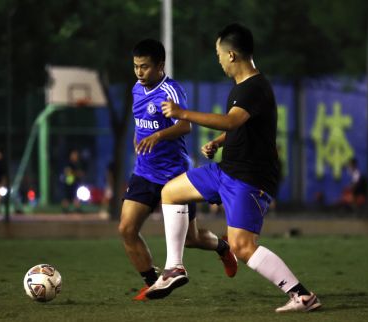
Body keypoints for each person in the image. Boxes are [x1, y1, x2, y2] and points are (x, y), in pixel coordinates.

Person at [145, 24, 321, 313]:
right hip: (225, 171)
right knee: (171, 193)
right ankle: (174, 268)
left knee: (242, 246)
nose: (217, 59)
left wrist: (182, 114)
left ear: (231, 55)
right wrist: (219, 141)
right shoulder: (244, 89)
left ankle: (301, 295)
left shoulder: (253, 88)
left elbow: (232, 121)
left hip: (249, 179)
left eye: (218, 54)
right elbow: (242, 125)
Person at [118, 39, 237, 301]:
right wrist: (139, 140)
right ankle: (153, 281)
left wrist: (158, 136)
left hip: (174, 174)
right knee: (126, 228)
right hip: (144, 172)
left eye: (145, 67)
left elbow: (185, 126)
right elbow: (141, 125)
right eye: (136, 66)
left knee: (191, 239)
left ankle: (223, 247)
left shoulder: (171, 91)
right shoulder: (137, 89)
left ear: (160, 66)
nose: (139, 72)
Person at [61, 149, 84, 213]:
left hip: (75, 183)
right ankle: (65, 209)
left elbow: (80, 173)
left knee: (76, 196)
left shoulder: (77, 164)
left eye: (76, 155)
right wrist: (76, 173)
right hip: (69, 183)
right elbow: (67, 172)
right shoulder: (68, 163)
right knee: (67, 197)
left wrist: (79, 174)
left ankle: (77, 208)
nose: (75, 156)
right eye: (74, 155)